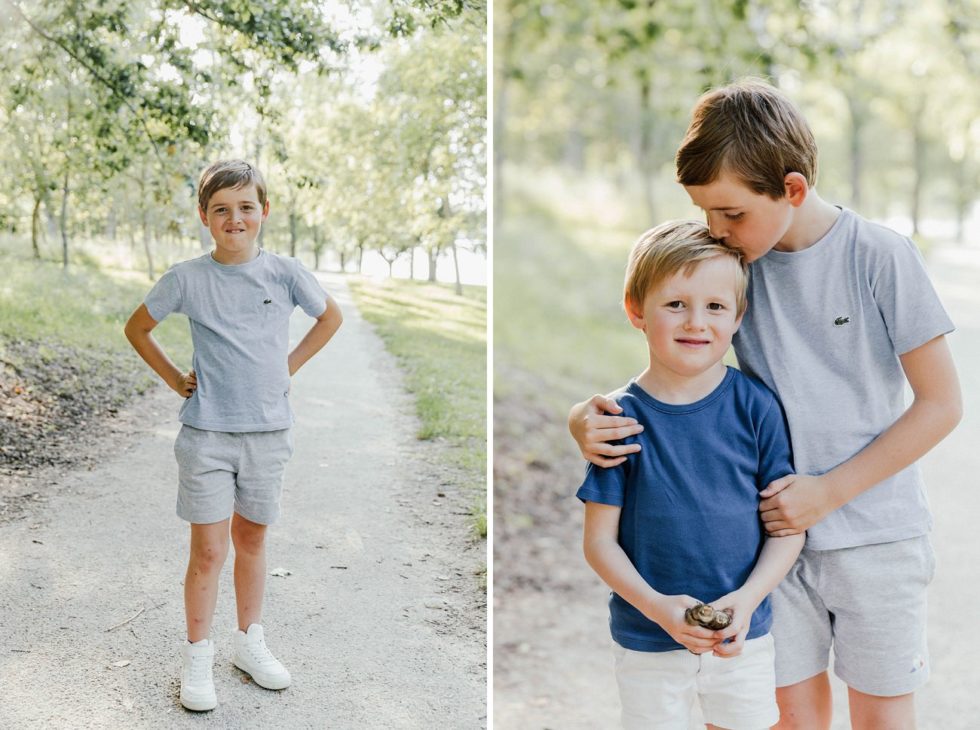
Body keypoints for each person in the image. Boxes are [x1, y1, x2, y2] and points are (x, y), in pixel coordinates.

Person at [569, 79, 962, 730]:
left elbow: (942, 405)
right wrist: (581, 418)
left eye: (730, 213)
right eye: (705, 215)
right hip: (769, 549)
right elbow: (675, 370)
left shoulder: (880, 257)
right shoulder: (732, 269)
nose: (716, 231)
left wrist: (828, 492)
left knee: (884, 717)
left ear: (793, 189)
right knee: (788, 717)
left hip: (876, 536)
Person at [124, 159, 343, 712]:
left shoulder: (286, 273)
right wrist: (176, 377)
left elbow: (330, 318)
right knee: (208, 550)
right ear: (204, 217)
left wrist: (286, 367)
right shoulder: (187, 278)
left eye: (246, 207)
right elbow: (138, 328)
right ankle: (198, 653)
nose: (235, 218)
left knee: (251, 541)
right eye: (221, 209)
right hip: (208, 436)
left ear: (264, 212)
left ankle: (250, 643)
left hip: (269, 434)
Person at [579, 220, 804, 729]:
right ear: (636, 309)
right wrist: (659, 608)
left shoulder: (757, 408)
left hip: (741, 633)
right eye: (676, 304)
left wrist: (747, 602)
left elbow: (787, 528)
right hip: (648, 638)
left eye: (715, 307)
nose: (695, 322)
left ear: (738, 316)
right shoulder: (616, 420)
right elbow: (599, 544)